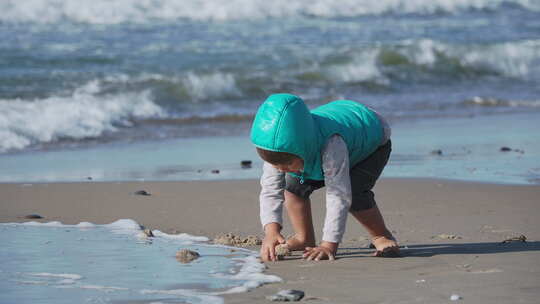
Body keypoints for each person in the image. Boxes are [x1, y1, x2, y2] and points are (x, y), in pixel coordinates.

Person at [250, 93, 399, 262]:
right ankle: (304, 237)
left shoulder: (332, 145)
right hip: (323, 142)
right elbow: (270, 191)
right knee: (292, 187)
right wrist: (271, 231)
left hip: (371, 138)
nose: (280, 169)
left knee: (355, 191)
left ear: (303, 147)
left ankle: (381, 236)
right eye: (275, 165)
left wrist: (329, 245)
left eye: (286, 164)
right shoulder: (276, 152)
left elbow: (338, 195)